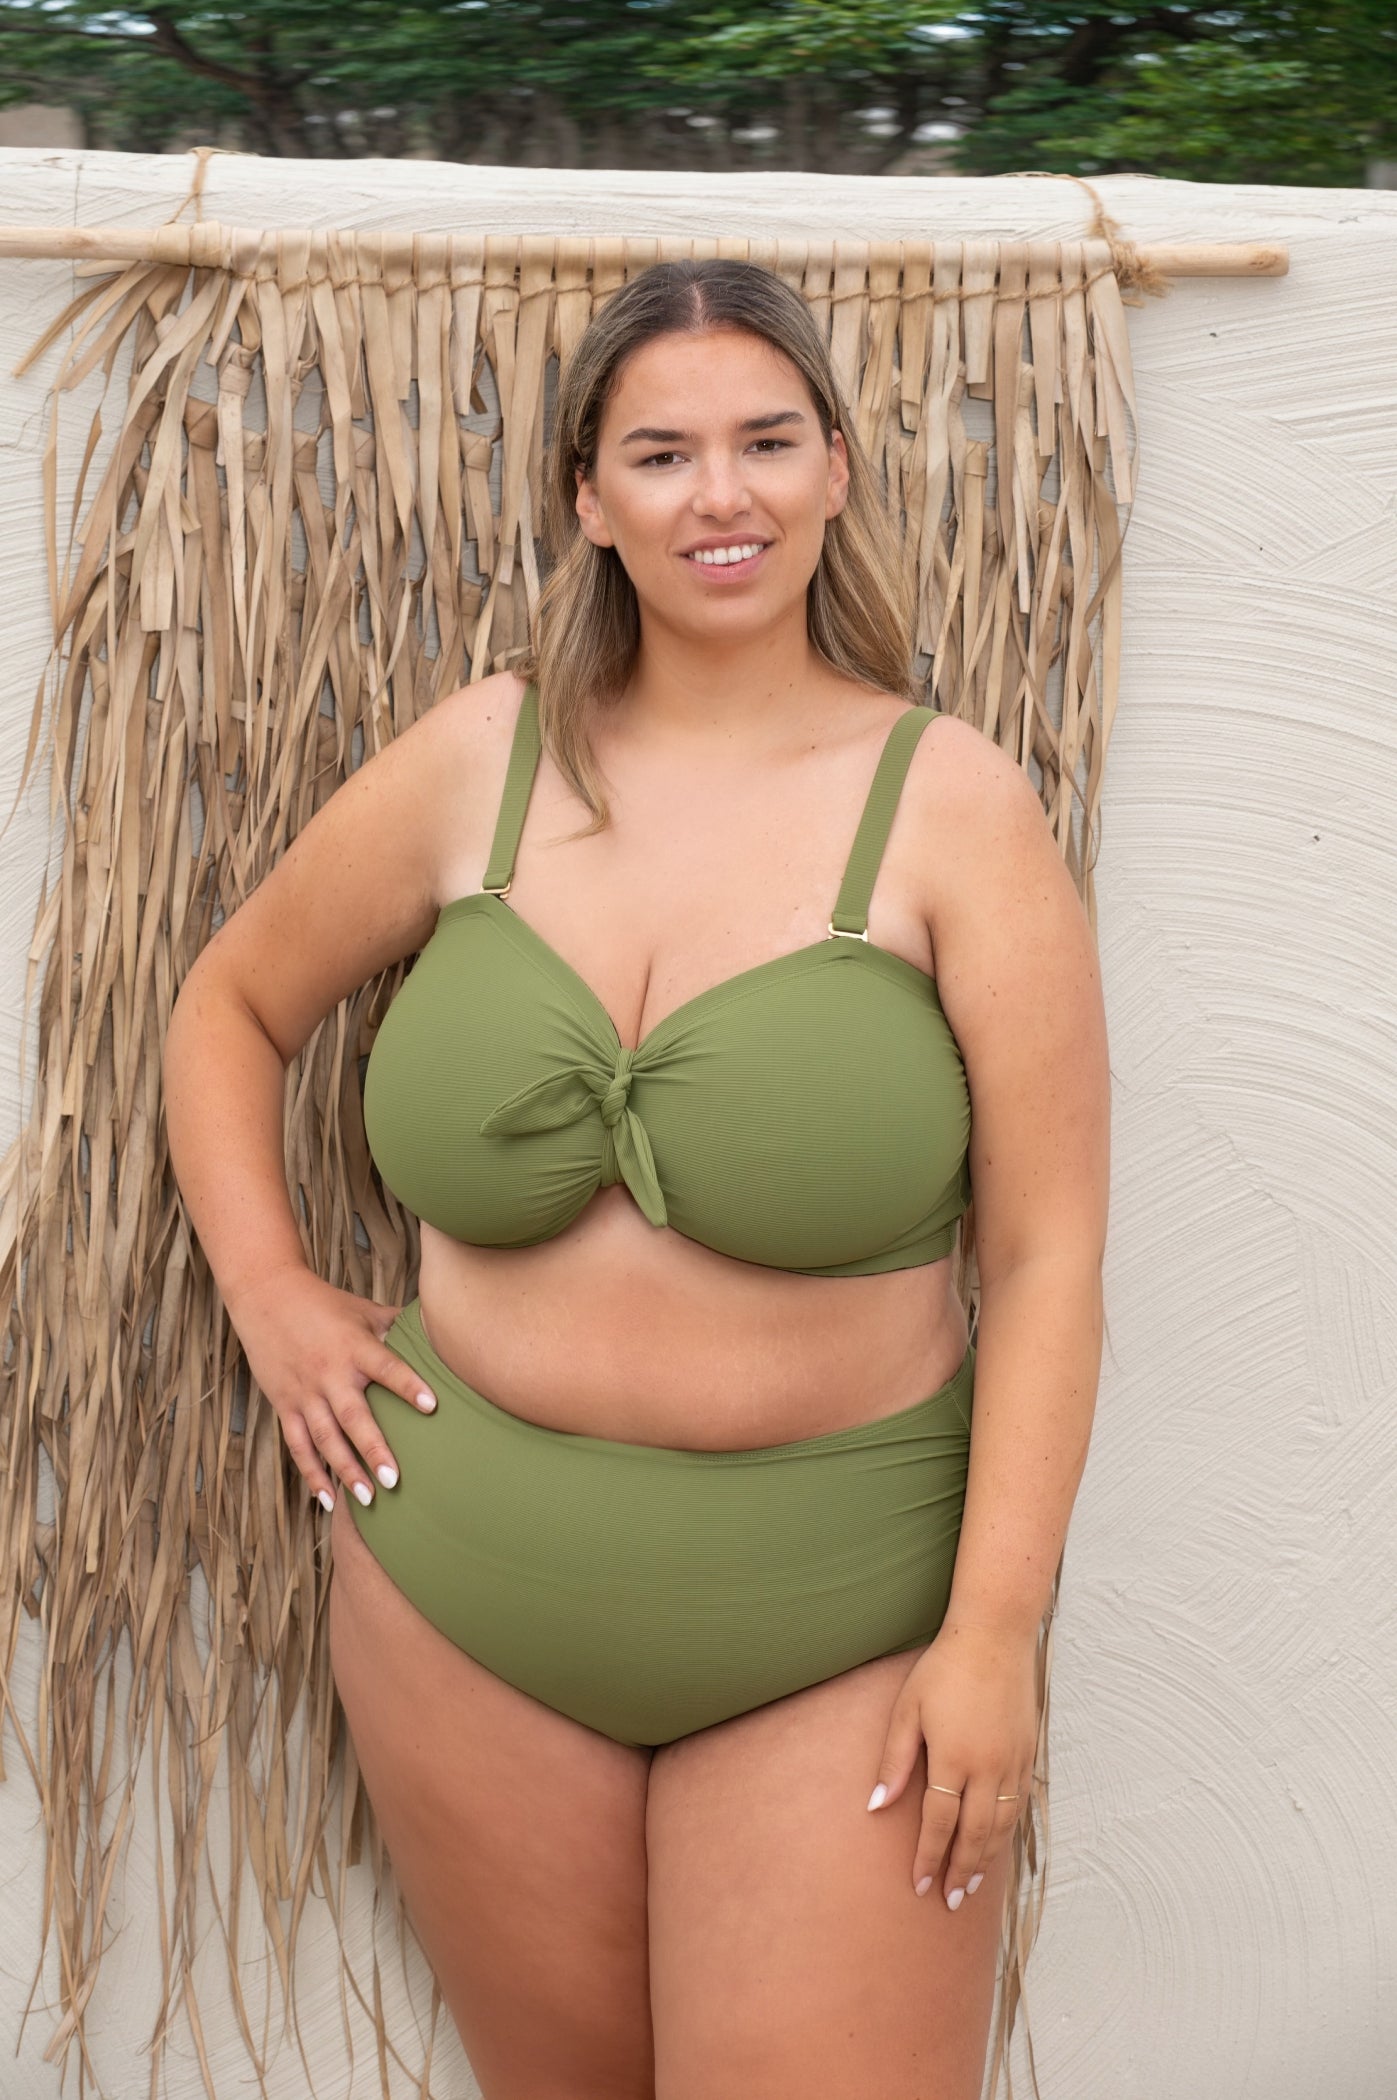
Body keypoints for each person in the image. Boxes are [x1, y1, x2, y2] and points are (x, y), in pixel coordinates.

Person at [162, 257, 1110, 2100]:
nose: (719, 496)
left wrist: (992, 1630)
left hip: (840, 1615)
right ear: (589, 500)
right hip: (462, 1603)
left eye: (765, 441)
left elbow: (1050, 1254)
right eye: (659, 454)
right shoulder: (472, 765)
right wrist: (268, 1291)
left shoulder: (951, 809)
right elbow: (230, 1002)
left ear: (837, 466)